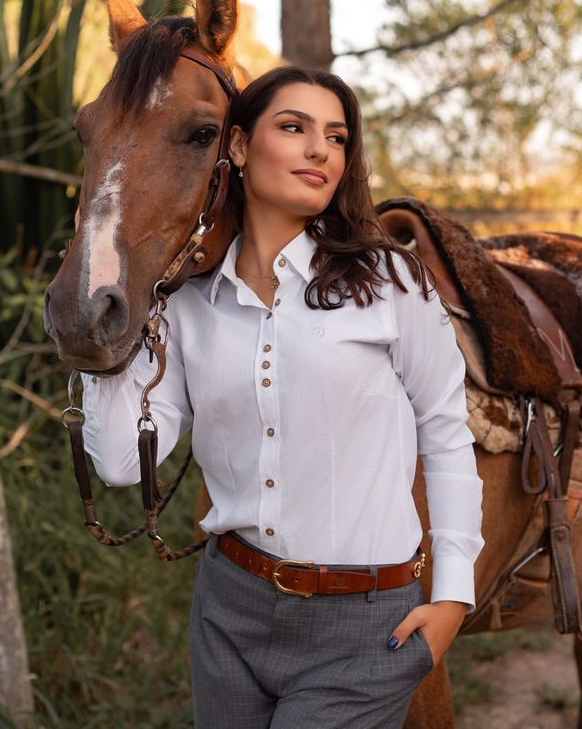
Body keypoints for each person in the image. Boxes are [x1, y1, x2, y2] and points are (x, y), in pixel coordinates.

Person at [79, 65, 484, 728]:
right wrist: (101, 330)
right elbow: (124, 464)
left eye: (336, 136)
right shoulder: (190, 304)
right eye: (293, 128)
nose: (319, 149)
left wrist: (452, 598)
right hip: (229, 610)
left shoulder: (390, 282)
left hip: (361, 624)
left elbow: (444, 431)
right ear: (237, 148)